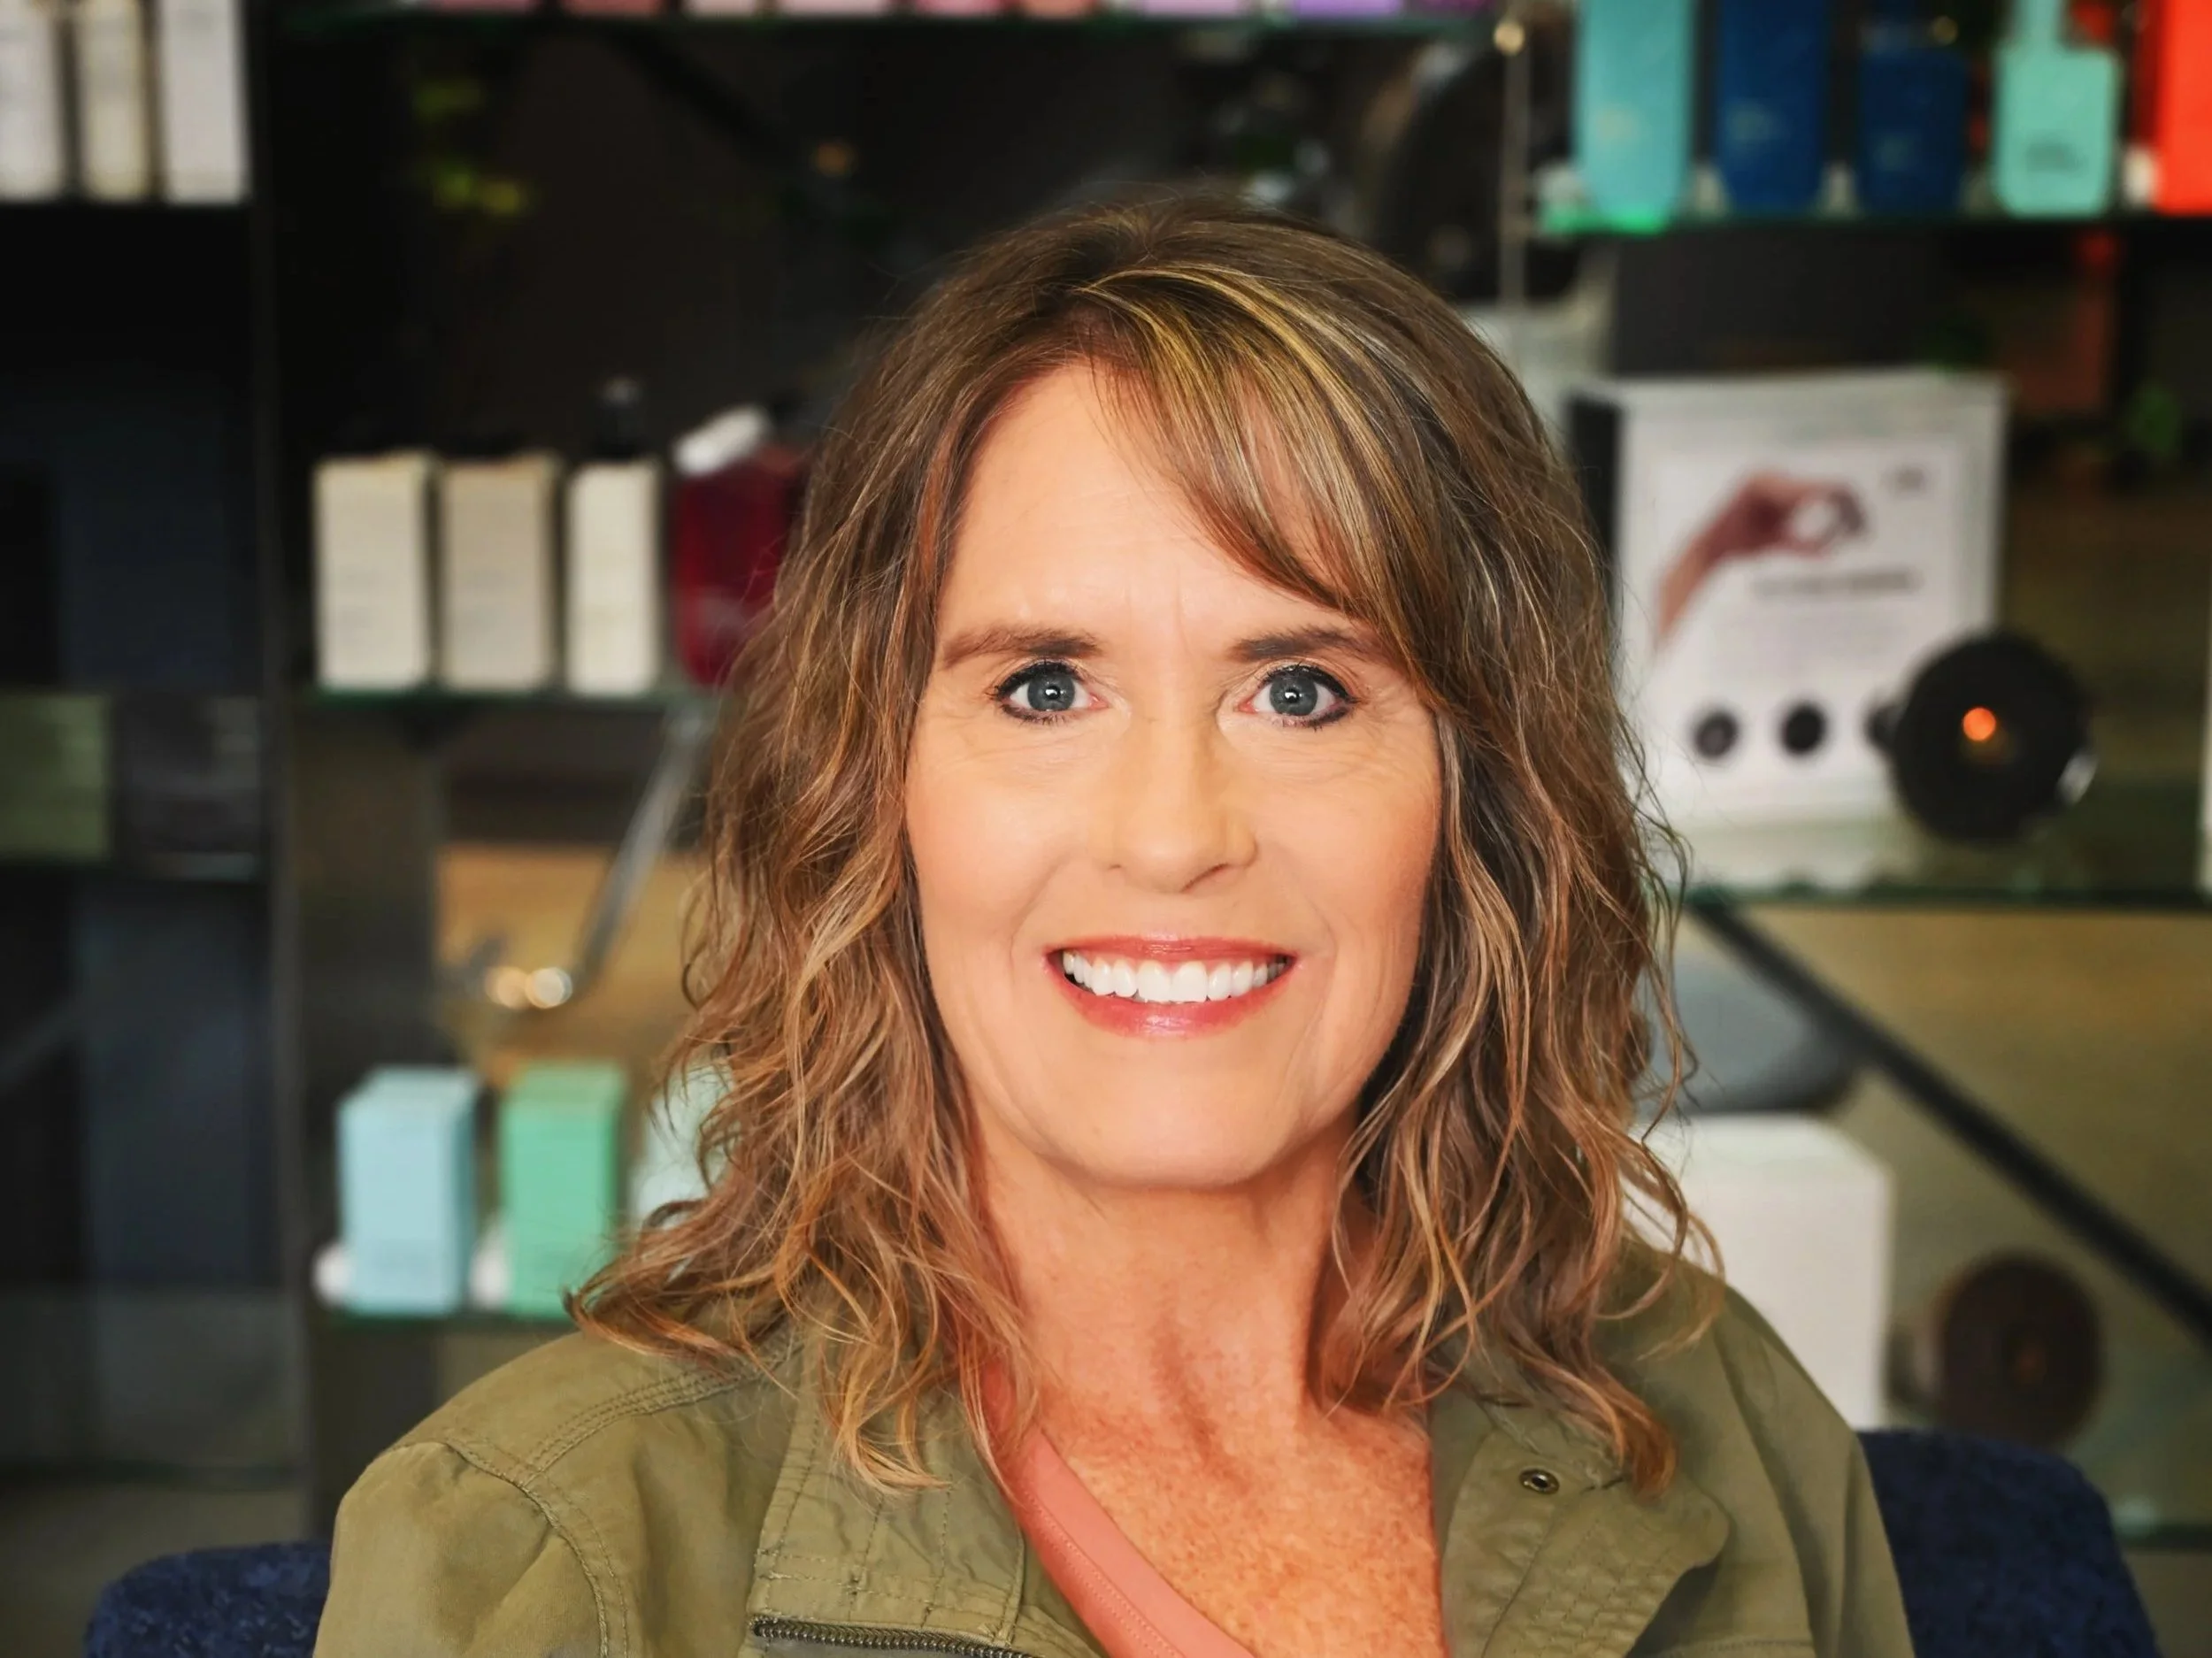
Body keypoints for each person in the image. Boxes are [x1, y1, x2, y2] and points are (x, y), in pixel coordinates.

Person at [315, 197, 1913, 1658]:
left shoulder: (1720, 1408)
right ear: (878, 783)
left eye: (1299, 690)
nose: (1171, 835)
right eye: (1045, 686)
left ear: (1475, 798)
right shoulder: (539, 1556)